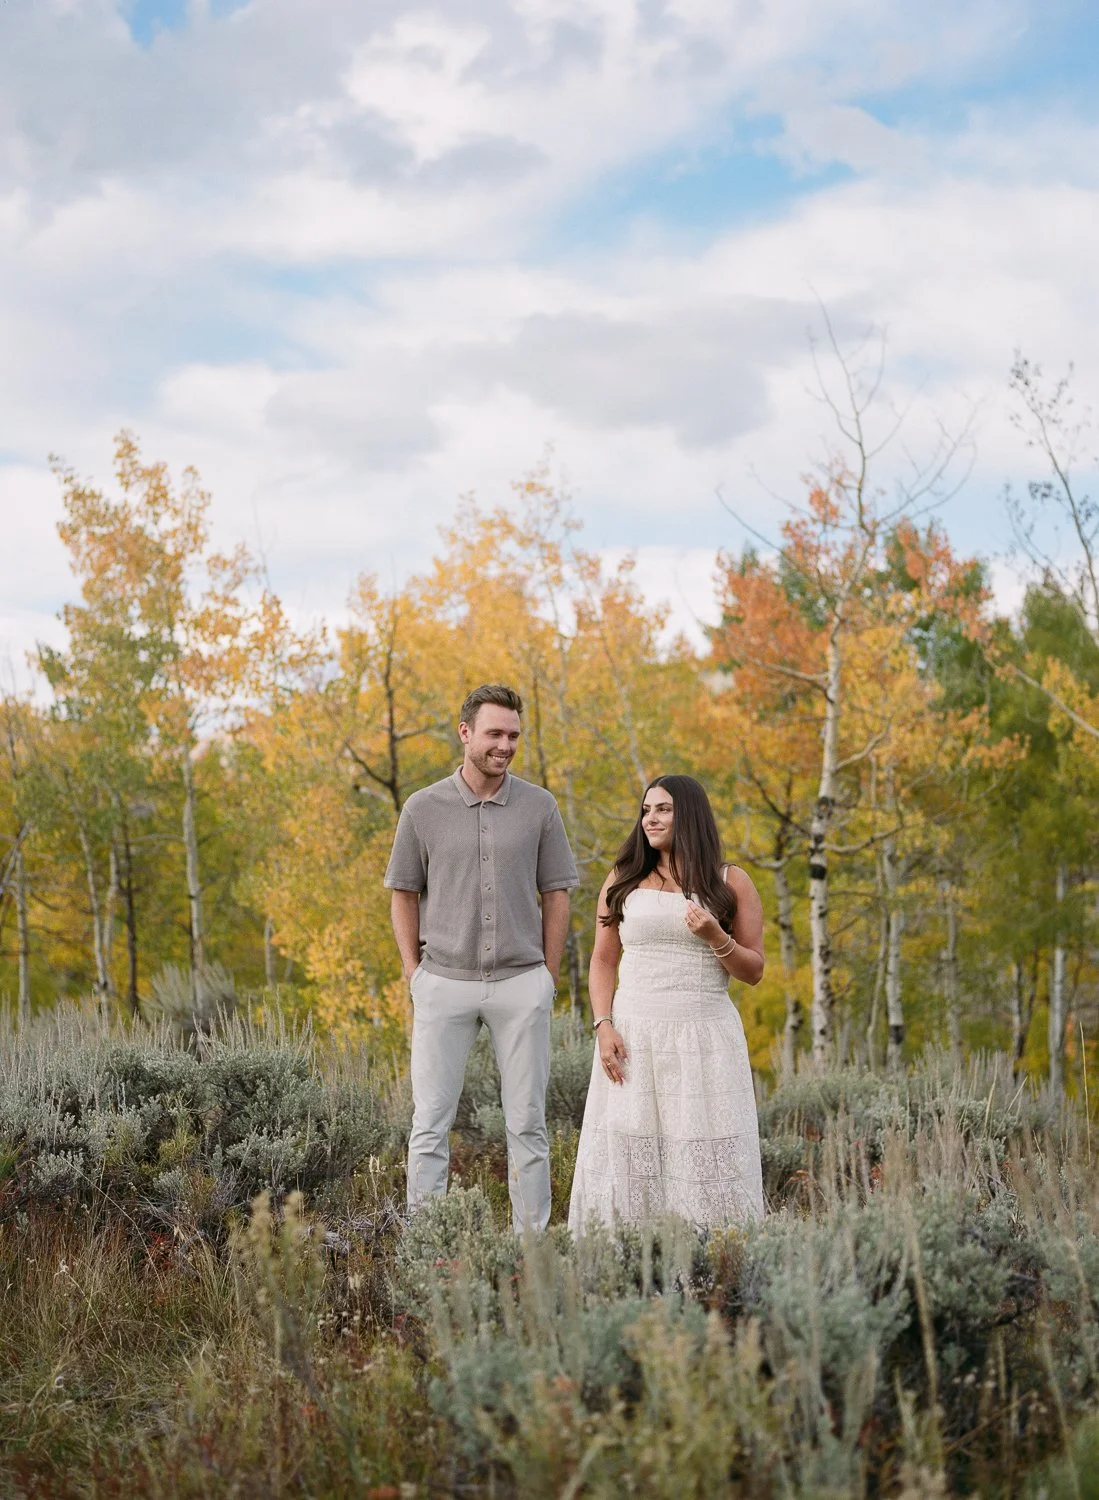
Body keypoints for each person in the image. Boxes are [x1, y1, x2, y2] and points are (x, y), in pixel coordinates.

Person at [385, 683, 579, 1232]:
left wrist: (548, 976)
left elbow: (557, 892)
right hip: (443, 982)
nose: (506, 744)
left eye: (514, 735)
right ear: (465, 733)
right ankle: (427, 1242)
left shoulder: (540, 806)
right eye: (495, 733)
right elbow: (402, 891)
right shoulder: (422, 808)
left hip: (522, 984)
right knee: (429, 1124)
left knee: (528, 1125)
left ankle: (531, 1248)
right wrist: (413, 974)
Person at [568, 774, 765, 1232]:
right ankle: (625, 1264)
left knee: (700, 1149)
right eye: (646, 810)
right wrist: (603, 1025)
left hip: (704, 1038)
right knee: (631, 1149)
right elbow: (602, 960)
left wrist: (717, 937)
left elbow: (753, 971)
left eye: (663, 809)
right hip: (634, 1037)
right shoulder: (624, 878)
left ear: (689, 815)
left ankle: (712, 1264)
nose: (650, 819)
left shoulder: (731, 881)